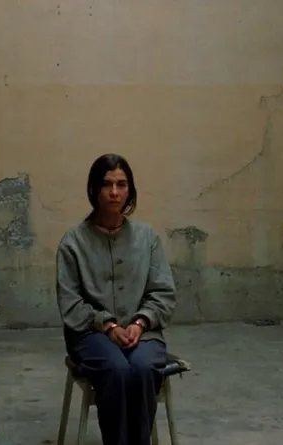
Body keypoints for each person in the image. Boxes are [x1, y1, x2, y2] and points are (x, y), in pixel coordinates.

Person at [55, 153, 178, 445]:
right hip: (90, 334)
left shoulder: (147, 238)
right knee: (117, 369)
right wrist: (107, 325)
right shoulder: (73, 242)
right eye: (106, 184)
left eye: (121, 184)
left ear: (129, 190)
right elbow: (70, 303)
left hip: (144, 333)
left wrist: (140, 322)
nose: (114, 192)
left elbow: (163, 292)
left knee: (143, 368)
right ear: (94, 189)